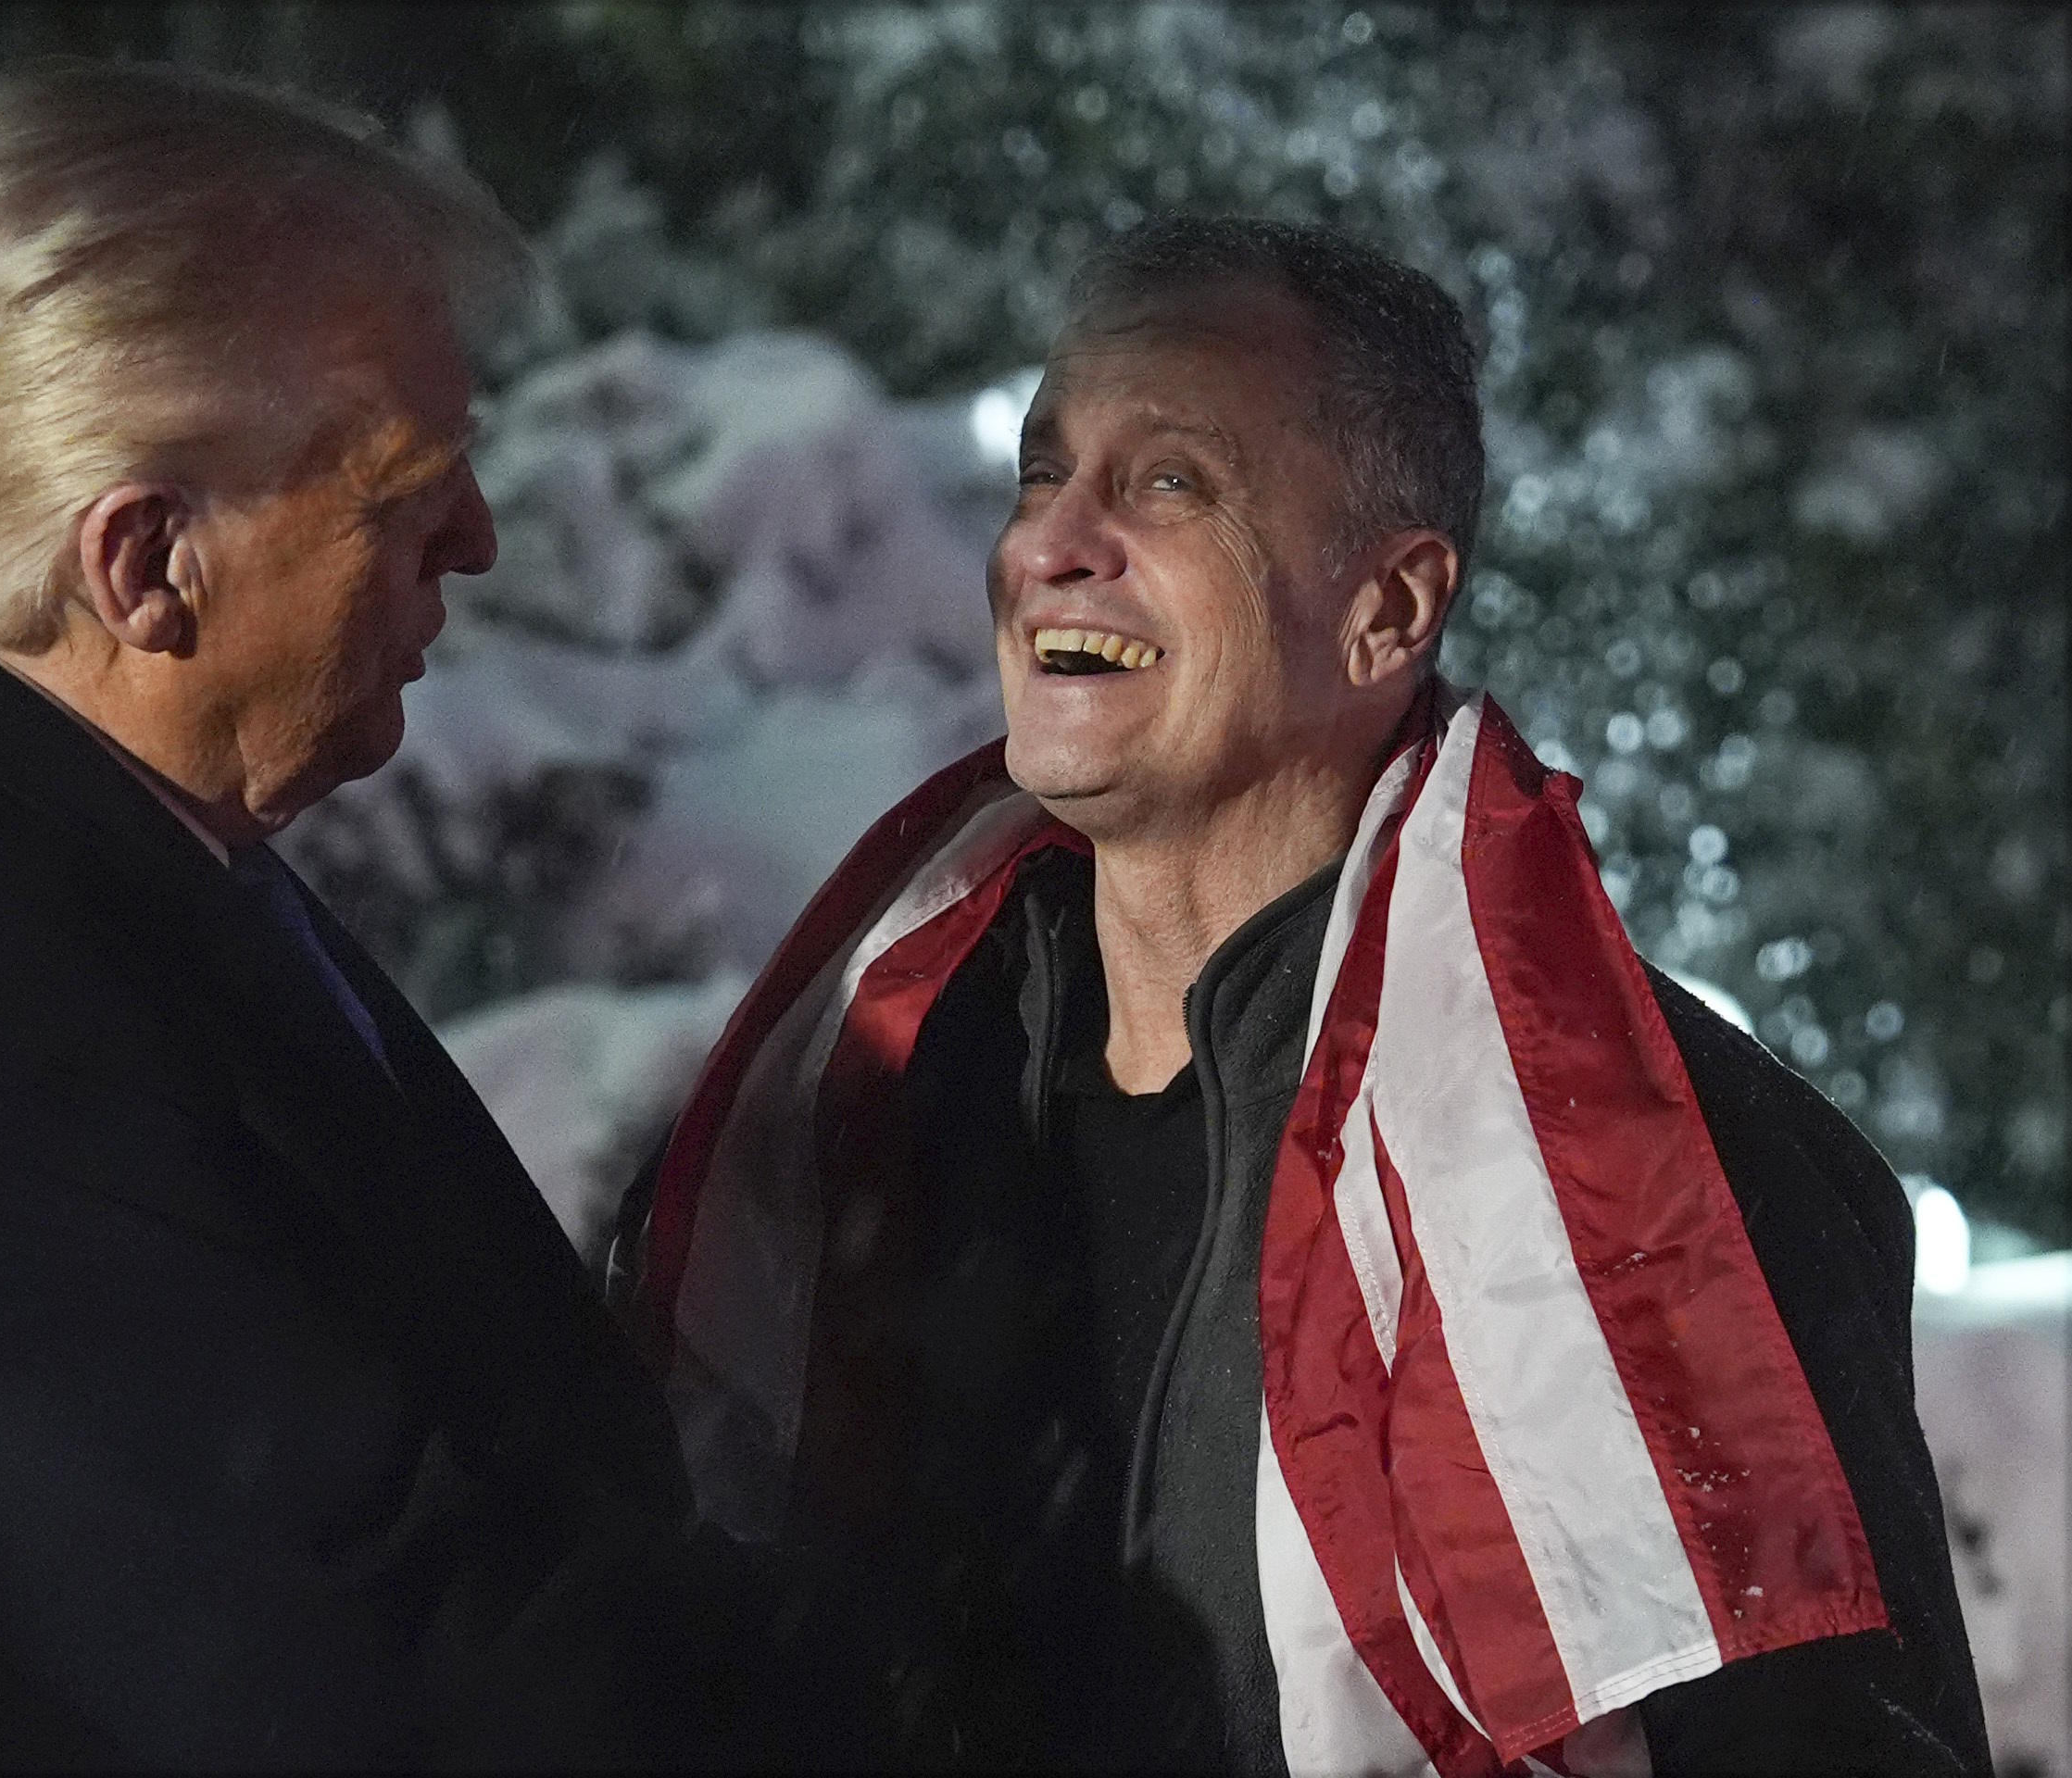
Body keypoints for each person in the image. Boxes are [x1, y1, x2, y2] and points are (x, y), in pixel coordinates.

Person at [0, 60, 793, 1771]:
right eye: (401, 493)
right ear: (142, 563)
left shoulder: (20, 841)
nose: (475, 541)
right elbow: (389, 1670)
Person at [622, 216, 1992, 1774]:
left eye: (1169, 484)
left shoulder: (1662, 1183)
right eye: (1040, 472)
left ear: (1388, 611)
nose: (1051, 544)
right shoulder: (856, 1100)